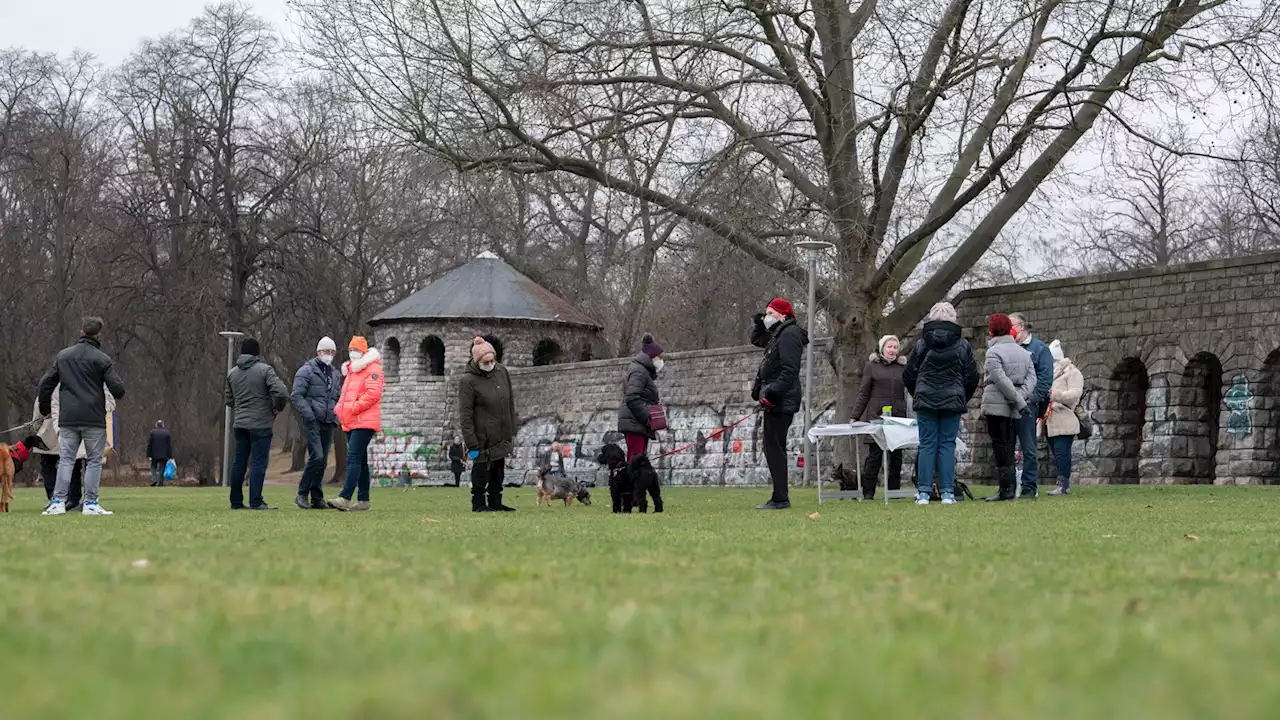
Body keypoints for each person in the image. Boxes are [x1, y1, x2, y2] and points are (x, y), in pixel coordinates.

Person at [38, 317, 126, 516]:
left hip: (68, 418)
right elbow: (118, 389)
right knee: (94, 461)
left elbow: (46, 384)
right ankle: (91, 503)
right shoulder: (102, 360)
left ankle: (58, 502)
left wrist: (45, 409)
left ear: (81, 332)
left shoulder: (63, 356)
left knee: (66, 459)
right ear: (99, 335)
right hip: (93, 418)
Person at [903, 302, 979, 506]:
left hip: (926, 400)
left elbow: (909, 374)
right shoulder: (963, 345)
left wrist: (918, 393)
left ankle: (924, 493)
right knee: (947, 445)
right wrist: (962, 396)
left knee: (926, 445)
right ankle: (947, 492)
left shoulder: (921, 344)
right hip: (952, 401)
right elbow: (972, 376)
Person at [751, 298, 808, 510]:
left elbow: (789, 370)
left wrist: (773, 394)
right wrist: (759, 322)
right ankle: (779, 496)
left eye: (770, 313)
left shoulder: (789, 334)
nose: (767, 317)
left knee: (775, 447)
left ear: (782, 315)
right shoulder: (778, 334)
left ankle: (781, 498)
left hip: (781, 399)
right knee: (772, 447)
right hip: (775, 399)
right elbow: (757, 340)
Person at [225, 337, 289, 510]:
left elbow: (229, 399)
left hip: (240, 424)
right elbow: (282, 392)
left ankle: (236, 501)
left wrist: (241, 410)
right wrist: (276, 408)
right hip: (261, 424)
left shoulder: (232, 373)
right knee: (258, 463)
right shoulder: (265, 370)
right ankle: (256, 501)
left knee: (239, 462)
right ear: (257, 353)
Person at [980, 313, 1037, 502]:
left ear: (991, 330)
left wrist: (1017, 401)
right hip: (1014, 407)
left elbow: (1000, 380)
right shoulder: (1023, 352)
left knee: (1001, 446)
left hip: (997, 405)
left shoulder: (993, 352)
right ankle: (1010, 488)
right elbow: (1031, 379)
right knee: (1008, 446)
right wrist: (1020, 399)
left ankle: (1006, 489)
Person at [459, 336, 518, 512]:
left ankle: (495, 502)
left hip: (501, 432)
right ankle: (478, 503)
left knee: (498, 470)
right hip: (482, 436)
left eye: (492, 360)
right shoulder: (468, 381)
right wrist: (471, 443)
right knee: (481, 471)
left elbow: (510, 402)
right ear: (478, 361)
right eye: (486, 361)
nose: (490, 363)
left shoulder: (502, 372)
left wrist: (511, 427)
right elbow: (465, 414)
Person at [329, 336, 384, 512]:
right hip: (352, 420)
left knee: (353, 458)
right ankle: (363, 499)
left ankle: (345, 497)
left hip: (363, 421)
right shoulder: (352, 371)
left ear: (364, 351)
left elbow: (373, 394)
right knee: (360, 461)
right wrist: (340, 409)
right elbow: (345, 394)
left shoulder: (373, 369)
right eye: (351, 349)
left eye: (357, 350)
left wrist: (354, 408)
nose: (353, 353)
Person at [850, 335, 907, 500]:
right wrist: (855, 415)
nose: (892, 350)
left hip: (898, 418)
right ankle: (868, 492)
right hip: (877, 417)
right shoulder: (872, 367)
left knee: (896, 456)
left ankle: (895, 492)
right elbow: (864, 392)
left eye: (895, 347)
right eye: (889, 347)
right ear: (882, 348)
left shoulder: (903, 367)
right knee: (874, 456)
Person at [292, 337, 342, 510]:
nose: (328, 355)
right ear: (318, 352)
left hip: (329, 421)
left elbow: (336, 396)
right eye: (325, 351)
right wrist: (309, 414)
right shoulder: (306, 371)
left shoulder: (334, 374)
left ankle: (317, 497)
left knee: (322, 461)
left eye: (331, 352)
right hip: (313, 420)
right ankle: (302, 493)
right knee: (317, 457)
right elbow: (296, 395)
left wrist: (336, 413)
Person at [1009, 313, 1054, 498]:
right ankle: (1008, 486)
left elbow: (1045, 378)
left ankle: (1029, 486)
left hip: (1028, 405)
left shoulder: (1040, 349)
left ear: (1020, 326)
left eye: (1010, 325)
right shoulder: (1008, 348)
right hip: (1009, 404)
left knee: (1028, 446)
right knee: (1007, 445)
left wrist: (1033, 399)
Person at [31, 389, 84, 512]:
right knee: (73, 467)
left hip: (49, 434)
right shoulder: (74, 389)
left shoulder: (46, 391)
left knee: (48, 466)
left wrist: (38, 429)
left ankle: (54, 498)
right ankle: (73, 499)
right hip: (70, 431)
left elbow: (37, 417)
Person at [1043, 339, 1084, 496]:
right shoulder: (1049, 372)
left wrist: (1055, 395)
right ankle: (1061, 484)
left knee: (1062, 453)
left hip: (1065, 418)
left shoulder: (1072, 372)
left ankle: (1064, 485)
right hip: (1051, 420)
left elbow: (1074, 394)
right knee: (1057, 453)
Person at [619, 333, 664, 461]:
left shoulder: (642, 371)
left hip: (637, 424)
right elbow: (632, 397)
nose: (661, 361)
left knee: (639, 462)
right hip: (635, 424)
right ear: (651, 357)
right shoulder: (639, 371)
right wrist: (648, 418)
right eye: (659, 357)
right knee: (636, 463)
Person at [147, 420, 173, 487]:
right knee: (162, 469)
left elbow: (149, 444)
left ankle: (154, 479)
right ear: (163, 425)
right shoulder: (167, 433)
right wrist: (170, 456)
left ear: (156, 425)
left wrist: (149, 454)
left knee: (153, 467)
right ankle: (160, 483)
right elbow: (169, 445)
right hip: (164, 455)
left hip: (154, 454)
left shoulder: (152, 432)